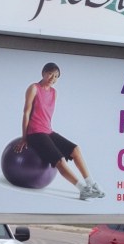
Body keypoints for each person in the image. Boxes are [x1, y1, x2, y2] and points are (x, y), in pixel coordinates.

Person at [15, 62, 105, 200]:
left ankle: (91, 183)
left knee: (75, 150)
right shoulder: (34, 88)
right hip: (35, 133)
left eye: (56, 76)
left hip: (48, 131)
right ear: (43, 73)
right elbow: (26, 113)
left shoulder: (54, 93)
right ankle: (83, 189)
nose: (53, 78)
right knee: (60, 160)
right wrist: (24, 137)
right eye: (50, 74)